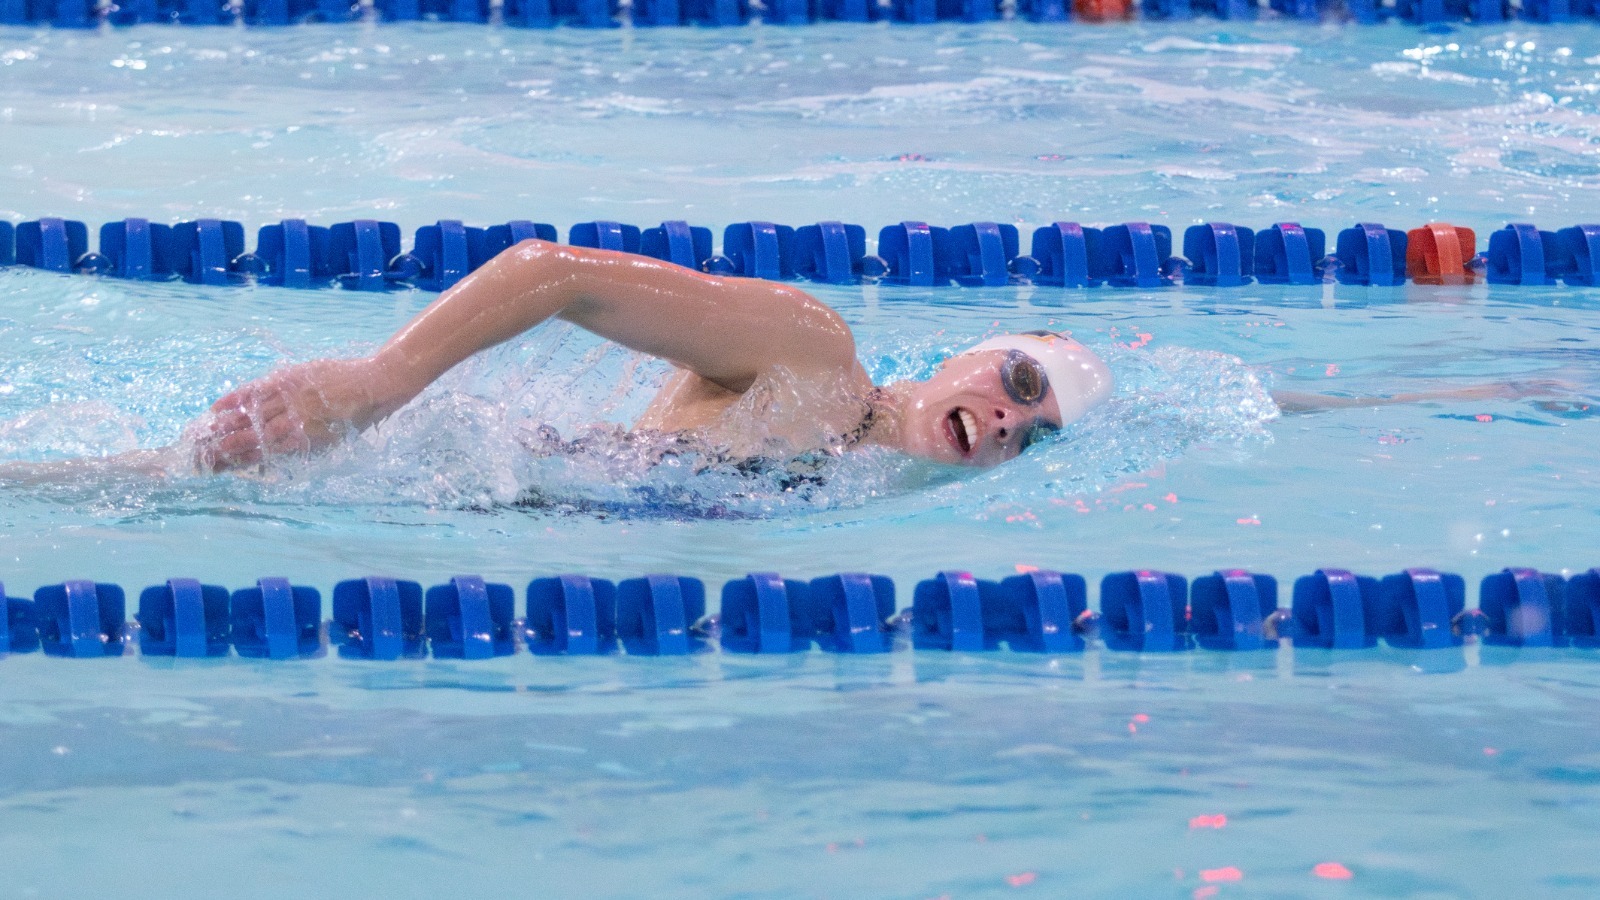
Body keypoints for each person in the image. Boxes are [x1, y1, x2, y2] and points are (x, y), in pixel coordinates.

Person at [186, 239, 1112, 475]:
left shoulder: (870, 484)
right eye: (1022, 381)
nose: (1010, 419)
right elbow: (552, 273)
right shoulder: (814, 356)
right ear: (965, 357)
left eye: (1035, 434)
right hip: (457, 479)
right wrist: (377, 383)